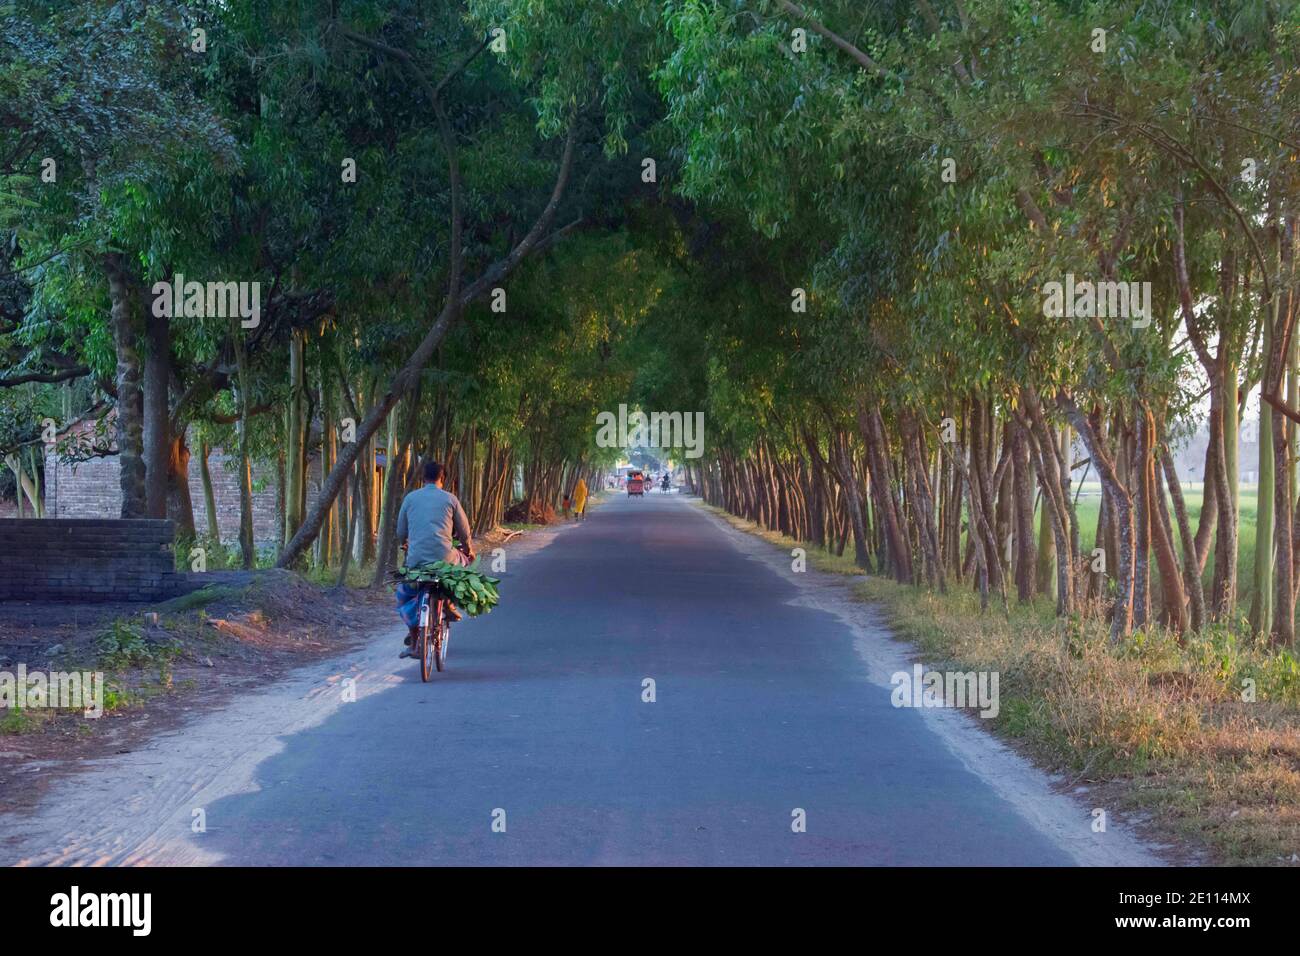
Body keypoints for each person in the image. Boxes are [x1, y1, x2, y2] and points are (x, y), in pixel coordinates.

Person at [394, 460, 475, 658]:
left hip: (416, 560)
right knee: (462, 563)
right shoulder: (450, 499)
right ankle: (448, 602)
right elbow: (464, 531)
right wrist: (468, 550)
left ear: (423, 478)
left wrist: (406, 543)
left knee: (405, 594)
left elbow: (400, 532)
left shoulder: (410, 498)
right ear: (442, 478)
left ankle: (414, 641)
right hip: (445, 558)